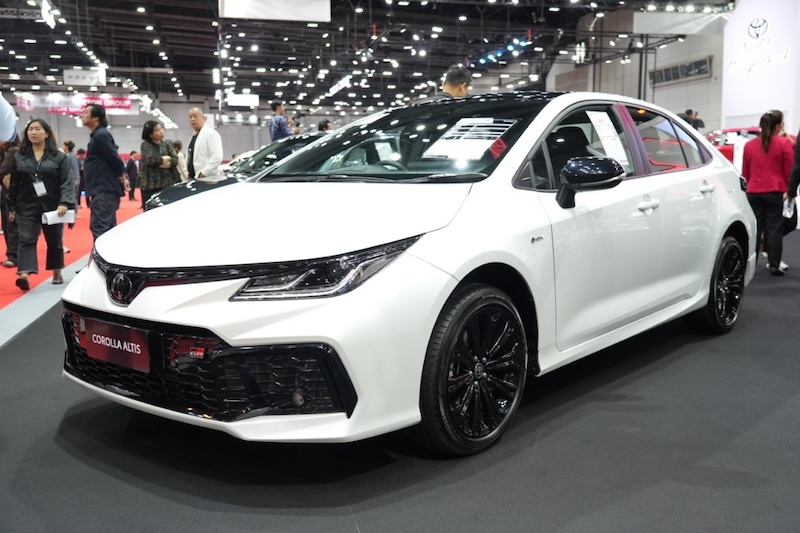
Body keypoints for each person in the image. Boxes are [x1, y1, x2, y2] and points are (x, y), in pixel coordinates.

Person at [8, 118, 75, 290]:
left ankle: (56, 270)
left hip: (53, 206)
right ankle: (24, 273)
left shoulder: (59, 157)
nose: (33, 132)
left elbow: (66, 182)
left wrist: (65, 202)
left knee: (54, 240)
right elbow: (14, 183)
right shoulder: (19, 157)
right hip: (26, 204)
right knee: (26, 239)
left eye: (38, 129)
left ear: (46, 133)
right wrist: (11, 206)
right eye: (30, 129)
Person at [741, 111, 794, 277]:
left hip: (753, 191)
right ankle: (774, 264)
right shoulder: (783, 143)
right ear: (777, 126)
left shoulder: (749, 145)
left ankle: (749, 264)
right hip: (774, 191)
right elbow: (790, 170)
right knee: (774, 228)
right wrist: (790, 190)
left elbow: (745, 172)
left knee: (755, 229)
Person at [82, 103, 127, 240]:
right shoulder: (98, 135)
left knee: (100, 227)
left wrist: (121, 175)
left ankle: (101, 254)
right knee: (107, 228)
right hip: (103, 188)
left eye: (86, 113)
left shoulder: (101, 135)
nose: (82, 115)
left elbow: (113, 157)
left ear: (96, 117)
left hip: (104, 189)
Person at [138, 120, 179, 207]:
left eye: (161, 129)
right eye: (157, 130)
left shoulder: (167, 144)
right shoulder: (145, 145)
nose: (161, 132)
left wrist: (160, 163)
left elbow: (175, 160)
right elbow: (151, 160)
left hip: (167, 184)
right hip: (150, 186)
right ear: (150, 134)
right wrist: (167, 158)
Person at [0, 135, 21, 268]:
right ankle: (12, 254)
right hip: (6, 192)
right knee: (7, 224)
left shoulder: (13, 151)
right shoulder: (6, 151)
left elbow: (3, 171)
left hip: (12, 192)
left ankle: (14, 256)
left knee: (11, 224)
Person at [187, 107, 223, 179]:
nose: (192, 119)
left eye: (195, 116)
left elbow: (217, 157)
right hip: (192, 178)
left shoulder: (211, 133)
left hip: (207, 178)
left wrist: (203, 173)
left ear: (203, 117)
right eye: (190, 117)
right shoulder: (194, 136)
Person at [63, 141, 81, 217]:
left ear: (67, 147)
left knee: (71, 196)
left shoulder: (67, 156)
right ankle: (75, 212)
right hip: (76, 178)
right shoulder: (74, 156)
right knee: (75, 196)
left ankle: (73, 212)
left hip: (71, 179)